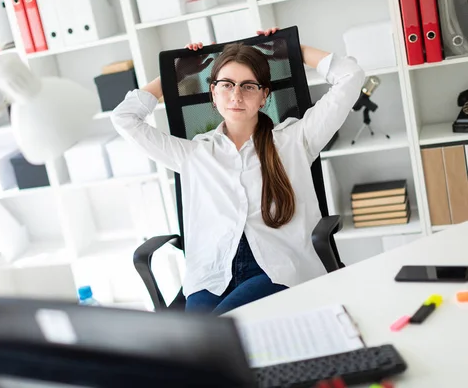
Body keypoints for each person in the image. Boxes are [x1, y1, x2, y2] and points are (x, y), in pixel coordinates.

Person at [111, 28, 365, 315]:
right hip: (212, 275)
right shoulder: (194, 154)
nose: (236, 95)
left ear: (264, 96)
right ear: (213, 93)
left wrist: (292, 49)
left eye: (248, 86)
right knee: (198, 341)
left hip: (276, 270)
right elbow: (124, 118)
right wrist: (175, 75)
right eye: (226, 85)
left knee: (211, 337)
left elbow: (350, 77)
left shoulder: (296, 139)